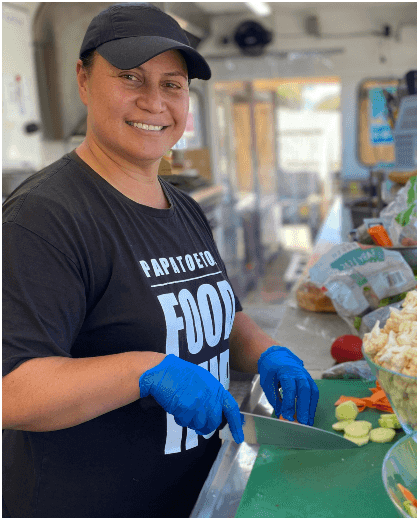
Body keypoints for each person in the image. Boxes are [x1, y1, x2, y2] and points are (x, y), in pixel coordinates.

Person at [2, 4, 318, 517]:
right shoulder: (43, 217)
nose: (154, 102)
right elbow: (12, 391)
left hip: (191, 494)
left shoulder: (183, 207)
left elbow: (222, 316)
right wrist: (146, 372)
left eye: (172, 85)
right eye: (130, 78)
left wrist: (267, 353)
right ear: (83, 80)